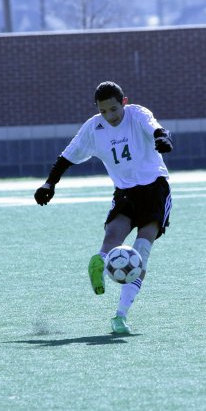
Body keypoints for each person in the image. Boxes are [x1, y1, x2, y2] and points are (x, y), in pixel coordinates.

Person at [34, 81, 173, 334]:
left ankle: (116, 300)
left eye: (114, 109)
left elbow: (155, 127)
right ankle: (114, 300)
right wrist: (49, 183)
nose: (110, 116)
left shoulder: (138, 114)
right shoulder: (93, 127)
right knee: (118, 240)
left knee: (139, 246)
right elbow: (68, 156)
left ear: (124, 102)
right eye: (103, 111)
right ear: (98, 109)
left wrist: (162, 138)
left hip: (155, 189)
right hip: (126, 192)